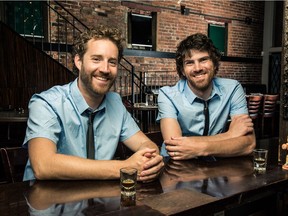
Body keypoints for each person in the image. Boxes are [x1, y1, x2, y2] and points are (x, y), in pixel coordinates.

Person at [22, 25, 164, 181]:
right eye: (96, 59)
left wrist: (150, 159)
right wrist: (125, 168)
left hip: (100, 199)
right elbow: (43, 166)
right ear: (78, 61)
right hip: (48, 200)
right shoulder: (46, 103)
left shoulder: (115, 103)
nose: (105, 69)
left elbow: (146, 144)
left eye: (112, 62)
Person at [156, 33, 256, 160]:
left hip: (216, 169)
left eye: (203, 60)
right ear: (182, 70)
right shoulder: (167, 95)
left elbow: (248, 144)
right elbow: (175, 149)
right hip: (176, 170)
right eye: (190, 62)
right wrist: (230, 135)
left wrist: (198, 148)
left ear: (214, 63)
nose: (197, 68)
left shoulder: (233, 88)